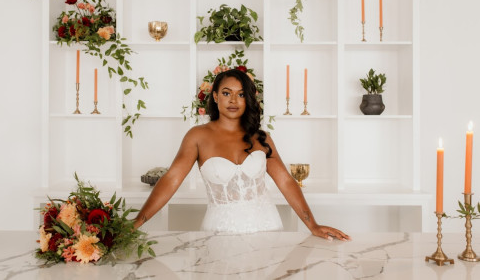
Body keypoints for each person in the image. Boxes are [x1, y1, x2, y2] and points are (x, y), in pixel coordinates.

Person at [134, 69, 350, 241]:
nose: (233, 100)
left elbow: (285, 181)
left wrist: (312, 225)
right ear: (216, 97)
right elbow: (171, 180)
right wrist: (137, 223)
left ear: (248, 100)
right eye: (227, 93)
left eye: (240, 94)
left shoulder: (261, 137)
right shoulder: (197, 136)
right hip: (218, 231)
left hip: (268, 228)